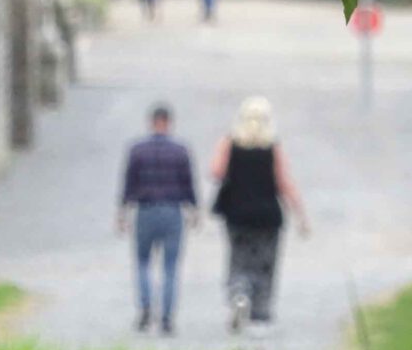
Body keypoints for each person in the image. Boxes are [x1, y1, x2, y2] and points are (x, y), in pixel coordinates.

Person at [210, 97, 308, 333]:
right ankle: (260, 315)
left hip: (236, 214)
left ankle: (239, 292)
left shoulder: (230, 143)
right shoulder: (272, 148)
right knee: (265, 265)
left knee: (238, 259)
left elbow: (216, 171)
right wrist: (301, 215)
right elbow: (284, 184)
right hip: (267, 216)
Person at [118, 104, 198, 335]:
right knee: (170, 266)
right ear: (168, 122)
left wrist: (123, 212)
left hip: (146, 210)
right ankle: (166, 317)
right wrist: (193, 209)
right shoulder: (180, 151)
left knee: (143, 262)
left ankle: (144, 308)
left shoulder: (137, 150)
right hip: (172, 210)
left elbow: (129, 182)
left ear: (151, 122)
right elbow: (188, 183)